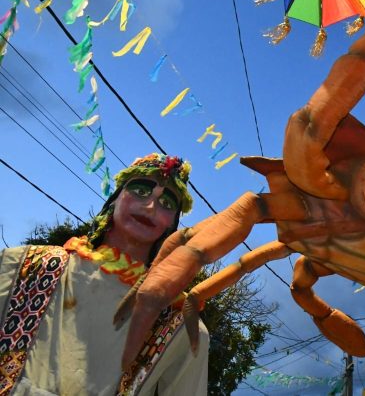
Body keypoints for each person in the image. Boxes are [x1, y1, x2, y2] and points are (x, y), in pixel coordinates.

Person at [0, 153, 209, 395]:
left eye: (167, 204)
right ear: (115, 199)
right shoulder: (28, 264)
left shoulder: (177, 323)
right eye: (141, 191)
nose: (151, 206)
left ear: (172, 226)